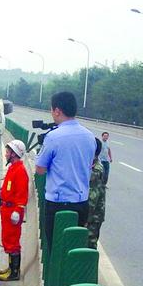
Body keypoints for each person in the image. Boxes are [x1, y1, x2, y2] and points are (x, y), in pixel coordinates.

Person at [35, 91, 95, 253]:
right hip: (81, 203)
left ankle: (55, 278)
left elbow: (40, 170)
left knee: (56, 252)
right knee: (74, 249)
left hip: (57, 204)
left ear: (57, 111)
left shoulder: (53, 137)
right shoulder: (89, 137)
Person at [0, 140, 29, 281]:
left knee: (12, 241)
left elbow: (22, 194)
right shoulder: (13, 168)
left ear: (14, 154)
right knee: (7, 239)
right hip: (7, 209)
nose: (6, 154)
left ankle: (14, 272)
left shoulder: (20, 171)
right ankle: (11, 268)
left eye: (8, 152)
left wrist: (18, 209)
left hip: (13, 211)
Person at [86, 138, 106, 249]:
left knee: (89, 247)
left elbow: (92, 198)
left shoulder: (95, 170)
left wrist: (85, 219)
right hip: (92, 216)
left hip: (93, 217)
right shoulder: (92, 164)